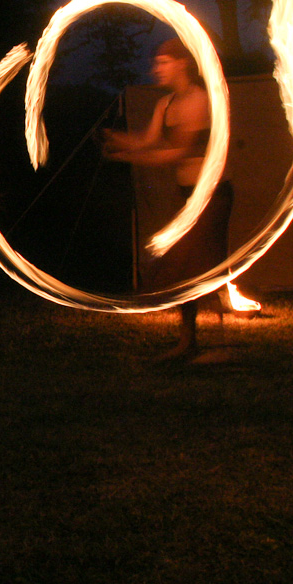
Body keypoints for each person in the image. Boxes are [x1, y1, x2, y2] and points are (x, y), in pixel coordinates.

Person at [102, 38, 233, 362]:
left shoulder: (199, 101)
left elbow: (178, 152)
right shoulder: (166, 103)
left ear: (182, 63)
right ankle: (189, 341)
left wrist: (126, 157)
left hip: (211, 197)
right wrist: (117, 140)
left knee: (198, 264)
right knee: (180, 268)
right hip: (186, 196)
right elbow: (147, 141)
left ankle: (216, 342)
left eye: (163, 62)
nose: (156, 69)